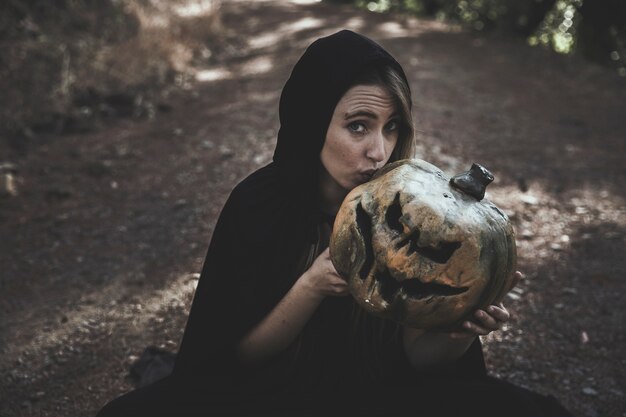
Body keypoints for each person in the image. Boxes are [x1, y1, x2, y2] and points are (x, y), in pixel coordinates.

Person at [96, 29, 572, 417]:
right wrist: (313, 285)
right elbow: (234, 362)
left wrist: (458, 331)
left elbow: (417, 363)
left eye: (392, 128)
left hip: (383, 398)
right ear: (310, 122)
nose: (379, 151)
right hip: (271, 396)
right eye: (358, 125)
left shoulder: (408, 209)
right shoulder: (259, 206)